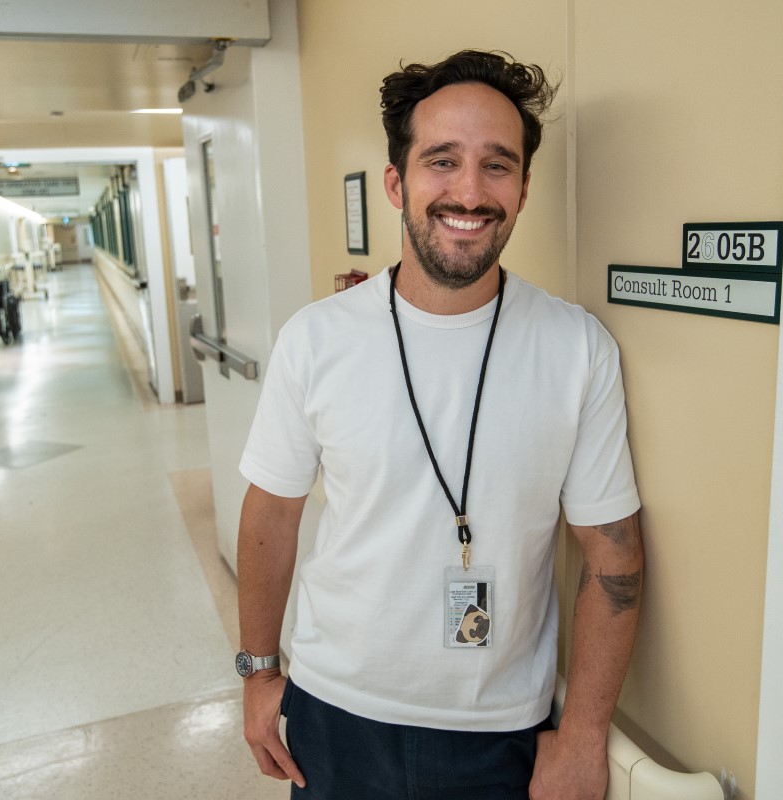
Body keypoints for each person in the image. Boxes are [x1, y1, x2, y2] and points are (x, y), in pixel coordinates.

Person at [236, 49, 643, 800]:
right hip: (335, 712)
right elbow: (272, 512)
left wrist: (584, 732)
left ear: (523, 189)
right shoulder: (316, 339)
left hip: (502, 728)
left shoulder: (576, 347)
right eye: (442, 161)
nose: (470, 191)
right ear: (397, 182)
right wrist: (259, 672)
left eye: (498, 165)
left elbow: (613, 556)